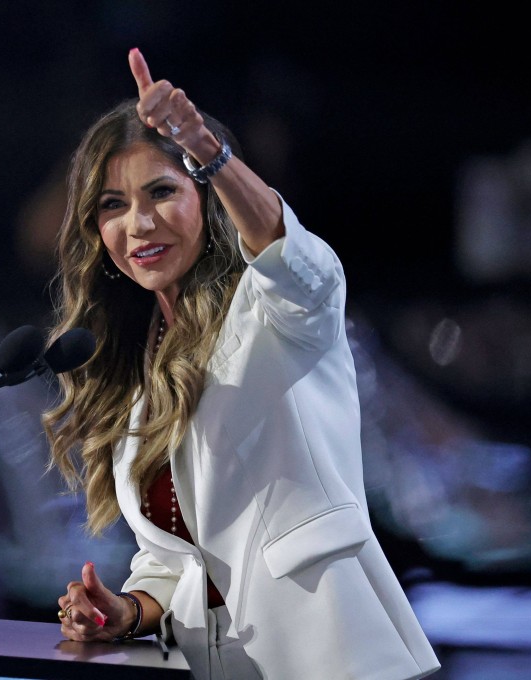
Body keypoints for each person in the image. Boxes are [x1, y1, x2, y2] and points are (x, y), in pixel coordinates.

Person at [42, 47, 440, 680]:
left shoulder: (277, 310)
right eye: (113, 204)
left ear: (208, 199)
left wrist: (206, 148)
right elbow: (176, 558)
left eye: (162, 191)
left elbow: (294, 261)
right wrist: (127, 609)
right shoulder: (142, 365)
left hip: (329, 657)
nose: (139, 223)